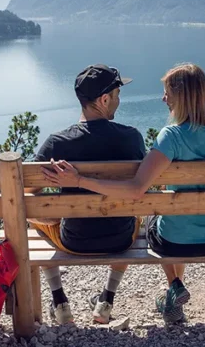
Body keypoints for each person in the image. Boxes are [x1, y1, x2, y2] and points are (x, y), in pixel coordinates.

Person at [43, 63, 205, 324]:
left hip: (166, 241)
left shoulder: (171, 136)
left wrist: (78, 181)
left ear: (182, 97)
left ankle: (174, 285)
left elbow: (137, 189)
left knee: (154, 217)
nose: (163, 98)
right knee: (149, 216)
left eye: (167, 92)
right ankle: (154, 294)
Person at [28, 64, 146, 325]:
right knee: (133, 214)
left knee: (35, 220)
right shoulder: (132, 139)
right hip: (121, 238)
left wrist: (54, 216)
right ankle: (106, 301)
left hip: (74, 240)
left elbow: (29, 195)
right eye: (116, 94)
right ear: (104, 100)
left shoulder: (57, 143)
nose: (118, 100)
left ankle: (60, 302)